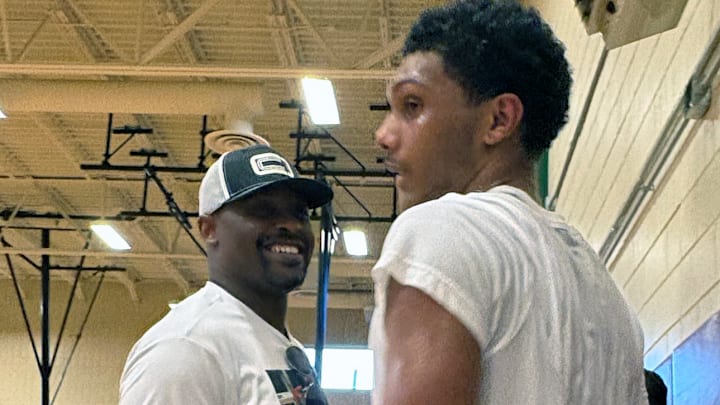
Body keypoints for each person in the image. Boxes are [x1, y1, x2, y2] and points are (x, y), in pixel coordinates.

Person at [368, 0, 649, 404]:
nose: (384, 134)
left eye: (412, 106)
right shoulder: (609, 298)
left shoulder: (439, 232)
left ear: (499, 120)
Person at [119, 144, 332, 405]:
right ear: (209, 229)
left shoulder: (282, 346)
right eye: (264, 211)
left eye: (300, 213)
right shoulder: (186, 349)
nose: (291, 225)